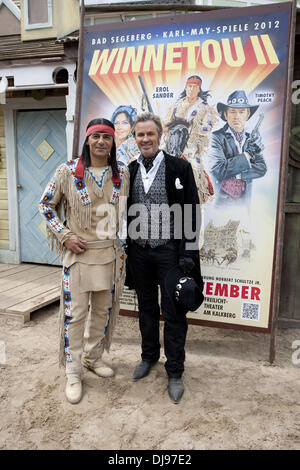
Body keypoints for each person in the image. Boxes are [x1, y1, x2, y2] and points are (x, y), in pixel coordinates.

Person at [39, 118, 129, 404]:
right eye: (96, 136)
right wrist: (65, 235)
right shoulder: (67, 171)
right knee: (75, 315)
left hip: (110, 257)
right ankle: (74, 371)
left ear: (114, 142)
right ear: (87, 140)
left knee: (102, 313)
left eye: (107, 137)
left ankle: (93, 357)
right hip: (78, 257)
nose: (101, 142)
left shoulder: (122, 173)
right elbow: (45, 204)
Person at [126, 112, 203, 404]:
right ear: (134, 138)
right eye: (139, 134)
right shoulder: (130, 170)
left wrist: (187, 256)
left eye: (150, 134)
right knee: (146, 307)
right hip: (139, 252)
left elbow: (192, 214)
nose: (145, 139)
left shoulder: (180, 168)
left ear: (160, 136)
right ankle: (148, 357)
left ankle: (174, 371)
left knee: (173, 313)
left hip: (170, 251)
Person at [163, 75, 218, 204]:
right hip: (172, 144)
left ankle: (195, 200)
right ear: (185, 87)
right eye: (189, 86)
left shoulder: (204, 108)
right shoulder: (176, 106)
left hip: (190, 147)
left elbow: (208, 128)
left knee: (195, 172)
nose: (191, 89)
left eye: (195, 87)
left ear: (199, 89)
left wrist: (195, 127)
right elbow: (166, 124)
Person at [207, 90, 267, 207]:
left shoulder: (251, 138)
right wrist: (248, 155)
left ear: (247, 115)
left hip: (244, 203)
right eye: (232, 112)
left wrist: (239, 175)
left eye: (241, 112)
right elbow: (219, 170)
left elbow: (261, 168)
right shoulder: (216, 137)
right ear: (225, 115)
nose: (236, 117)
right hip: (222, 203)